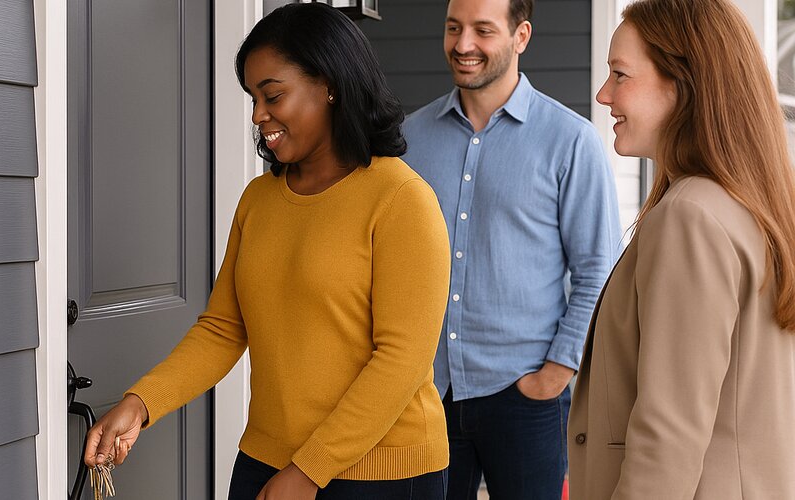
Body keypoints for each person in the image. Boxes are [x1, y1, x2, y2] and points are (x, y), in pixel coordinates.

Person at [83, 4, 452, 499]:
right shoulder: (259, 199)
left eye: (272, 95)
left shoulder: (402, 199)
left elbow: (401, 361)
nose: (258, 115)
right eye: (253, 98)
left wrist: (309, 471)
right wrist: (141, 403)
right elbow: (223, 328)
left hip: (382, 473)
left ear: (330, 85)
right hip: (267, 458)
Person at [567, 0, 795, 498]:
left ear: (683, 84)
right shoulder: (750, 205)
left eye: (620, 74)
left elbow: (667, 439)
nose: (604, 94)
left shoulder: (690, 217)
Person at [401, 0, 622, 497]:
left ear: (521, 36)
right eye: (454, 28)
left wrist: (556, 373)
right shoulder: (410, 139)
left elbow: (600, 270)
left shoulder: (570, 141)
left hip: (525, 397)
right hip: (427, 394)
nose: (463, 45)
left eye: (483, 30)